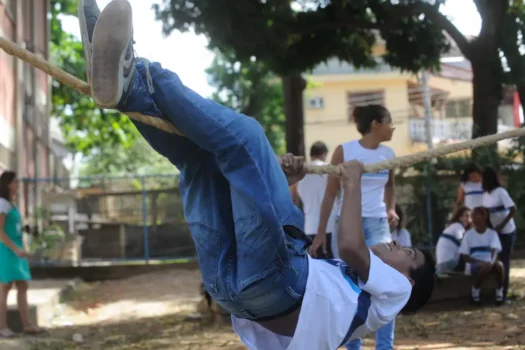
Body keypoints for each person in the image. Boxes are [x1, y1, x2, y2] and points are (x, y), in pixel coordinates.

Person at [78, 1, 436, 348]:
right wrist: (283, 183)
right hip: (231, 290)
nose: (398, 245)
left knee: (246, 140)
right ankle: (123, 87)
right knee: (201, 163)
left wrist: (352, 183)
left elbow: (351, 246)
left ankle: (140, 73)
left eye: (408, 255)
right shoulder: (354, 299)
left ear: (406, 280)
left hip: (279, 281)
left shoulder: (397, 294)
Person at [313, 104, 398, 350]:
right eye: (389, 121)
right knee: (350, 287)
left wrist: (391, 208)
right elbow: (329, 195)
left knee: (385, 287)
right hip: (348, 224)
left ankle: (385, 347)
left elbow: (390, 186)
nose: (393, 127)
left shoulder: (388, 154)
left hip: (378, 223)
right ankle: (353, 346)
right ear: (375, 124)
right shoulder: (344, 151)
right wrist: (321, 234)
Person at [0, 171, 44, 337]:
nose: (18, 184)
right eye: (15, 182)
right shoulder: (2, 204)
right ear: (8, 184)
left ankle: (26, 325)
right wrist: (15, 248)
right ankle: (2, 326)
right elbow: (0, 232)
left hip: (16, 250)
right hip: (7, 250)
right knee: (4, 287)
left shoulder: (12, 204)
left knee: (22, 285)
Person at [290, 141, 337, 259]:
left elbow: (293, 199)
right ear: (324, 153)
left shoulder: (301, 174)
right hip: (330, 225)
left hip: (309, 226)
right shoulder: (330, 170)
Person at [482, 166, 516, 301]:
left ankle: (503, 292)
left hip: (506, 231)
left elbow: (513, 209)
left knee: (504, 261)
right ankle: (494, 291)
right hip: (494, 232)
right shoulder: (485, 195)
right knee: (492, 260)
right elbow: (486, 213)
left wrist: (502, 225)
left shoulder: (500, 192)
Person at [458, 207, 504, 306]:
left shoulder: (492, 234)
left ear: (484, 216)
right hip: (474, 264)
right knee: (485, 267)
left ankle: (499, 291)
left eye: (475, 215)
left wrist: (491, 262)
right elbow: (465, 256)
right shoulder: (468, 235)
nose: (473, 218)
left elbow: (495, 252)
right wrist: (480, 262)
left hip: (489, 262)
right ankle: (475, 291)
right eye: (472, 216)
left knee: (499, 265)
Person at [435, 206, 471, 275]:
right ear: (460, 218)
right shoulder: (457, 226)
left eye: (470, 216)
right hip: (448, 263)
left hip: (445, 263)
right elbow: (464, 244)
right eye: (466, 216)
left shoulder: (454, 227)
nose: (469, 219)